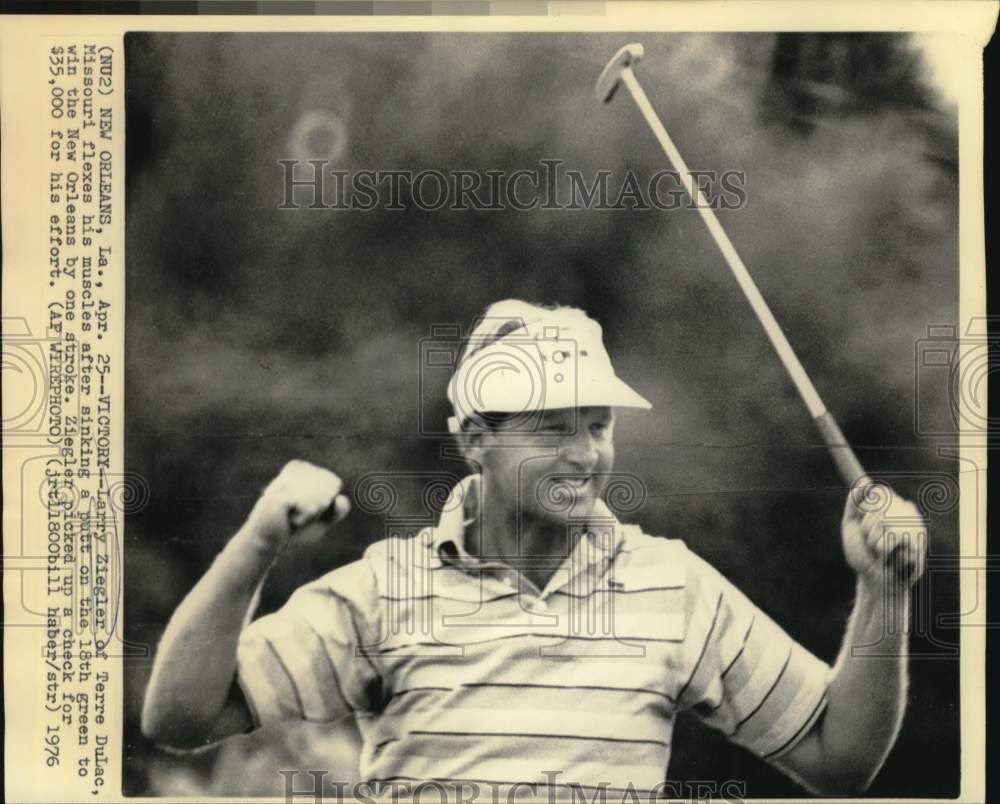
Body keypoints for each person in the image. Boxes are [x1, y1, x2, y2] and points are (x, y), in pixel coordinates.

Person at [141, 299, 926, 798]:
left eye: (598, 424)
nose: (585, 455)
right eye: (552, 427)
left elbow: (839, 757)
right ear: (476, 439)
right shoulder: (386, 590)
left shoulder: (673, 586)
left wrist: (884, 590)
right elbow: (180, 715)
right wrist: (258, 541)